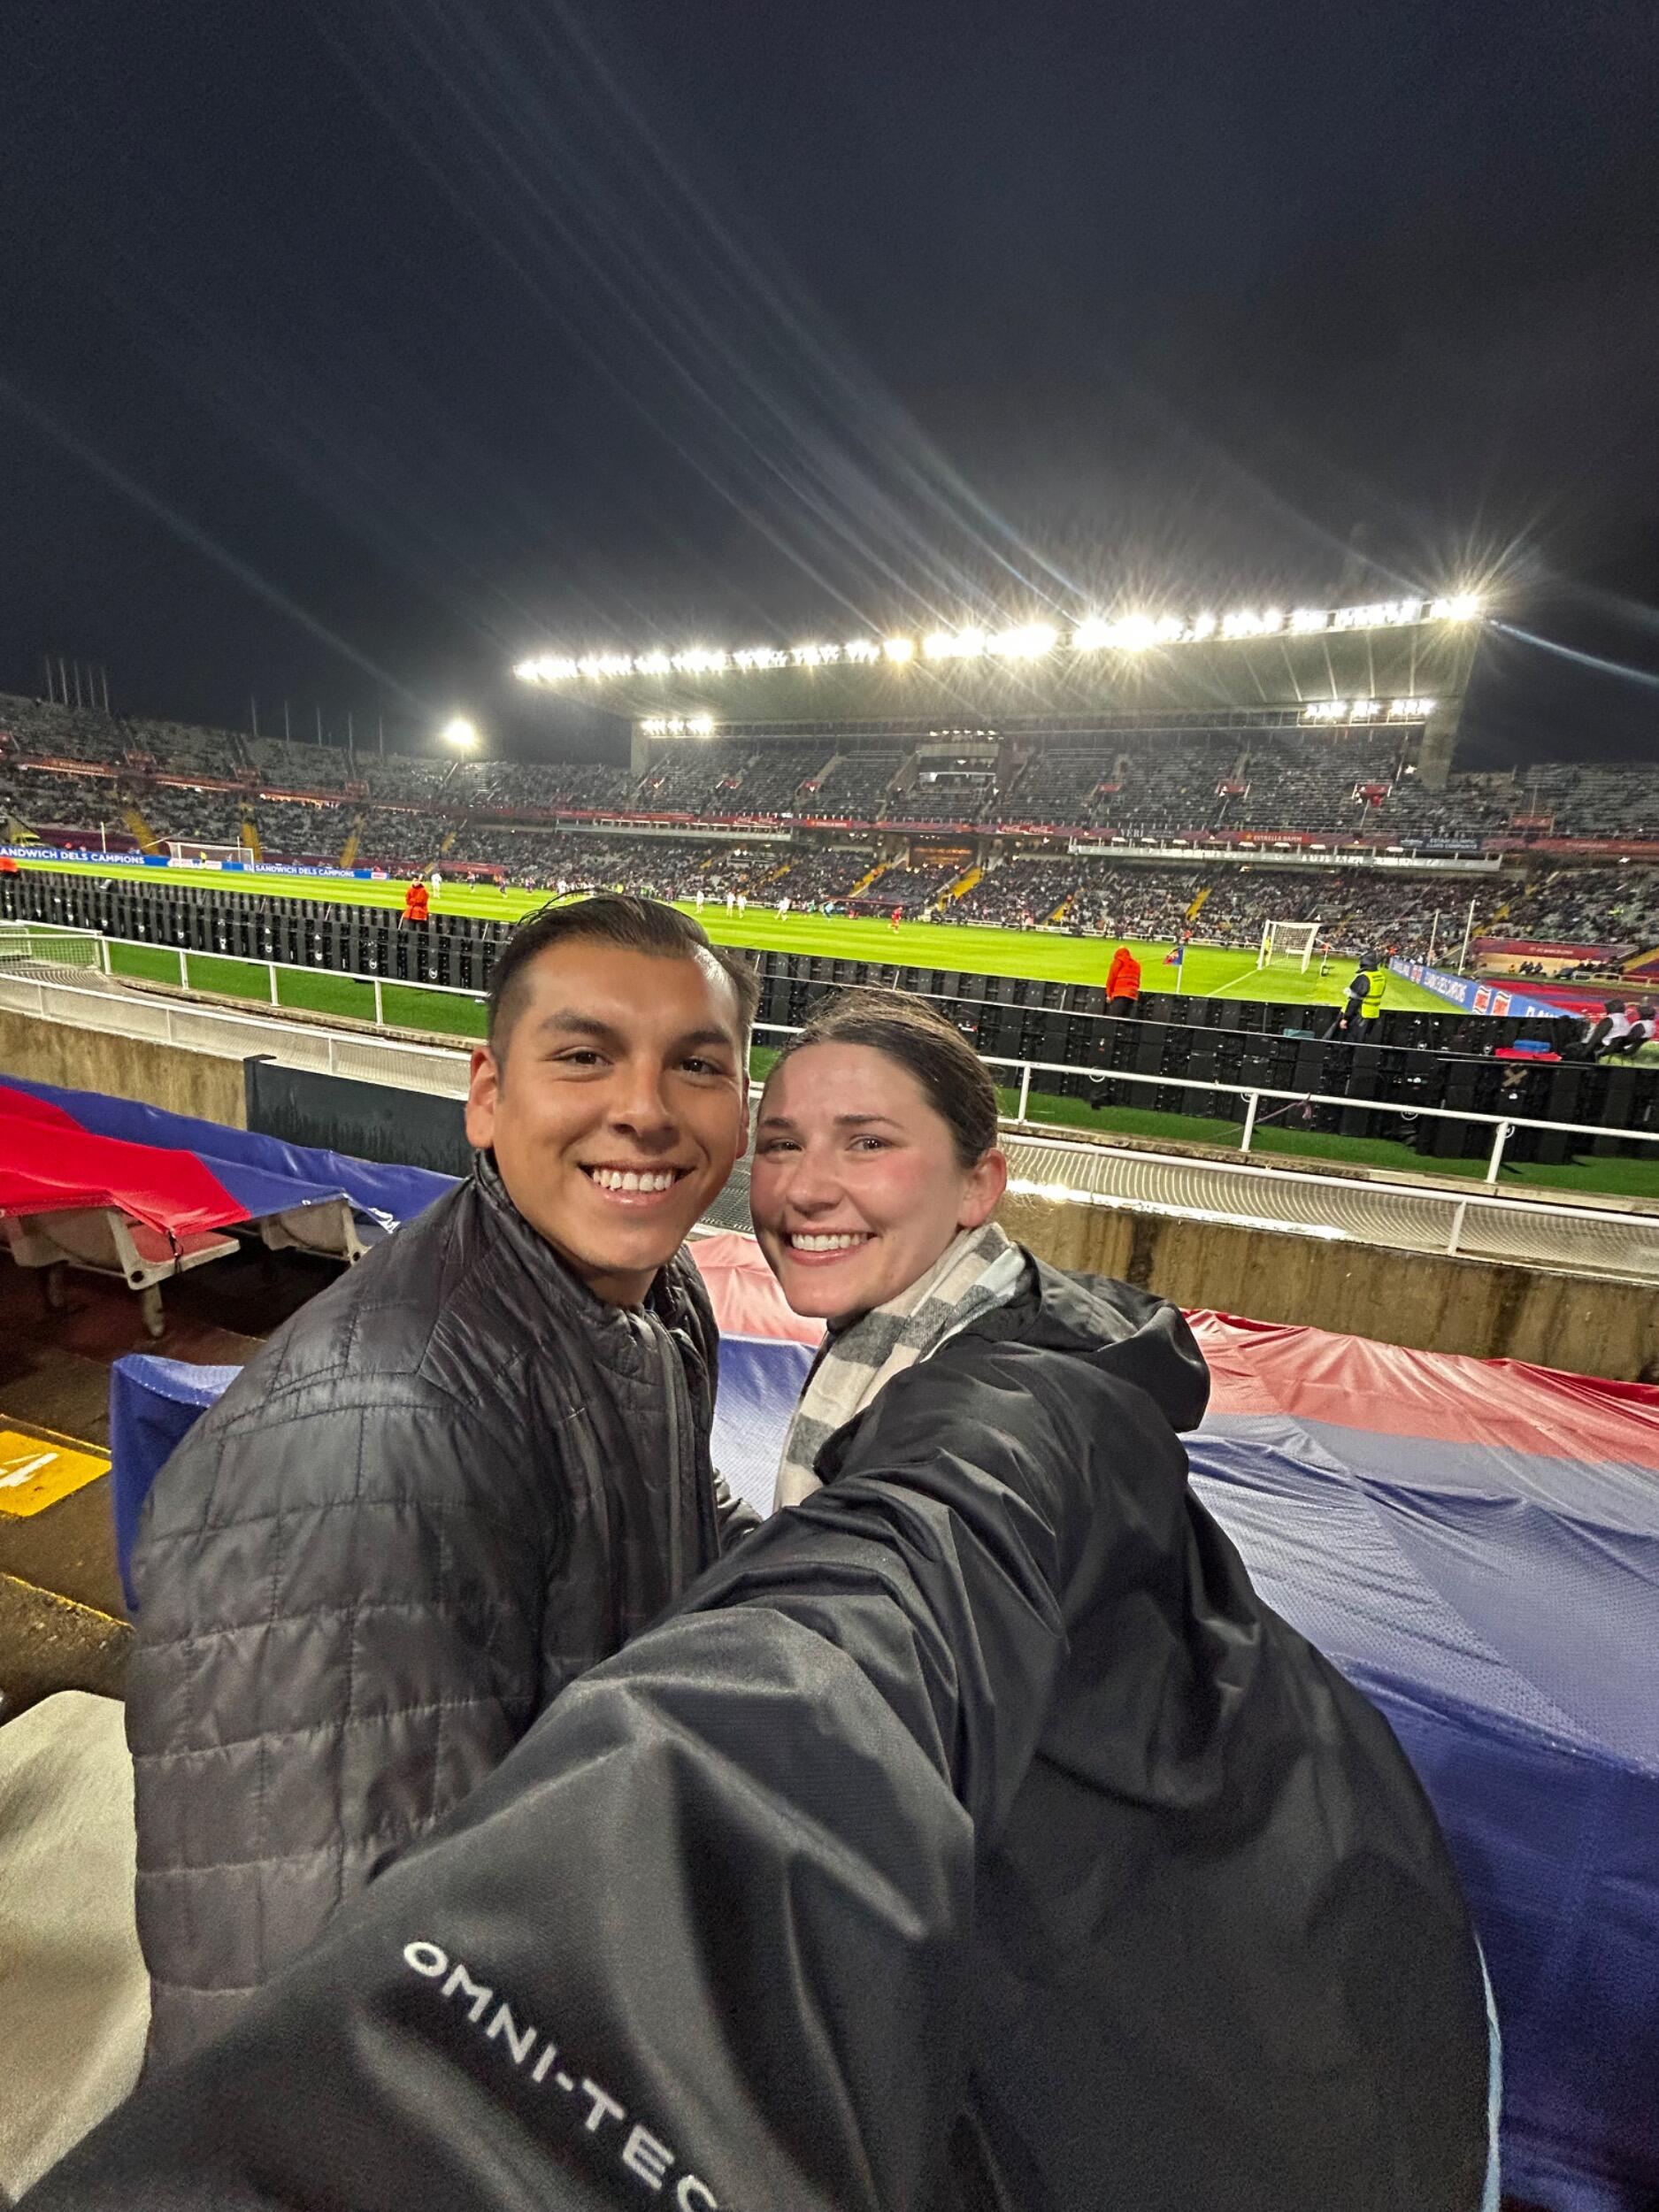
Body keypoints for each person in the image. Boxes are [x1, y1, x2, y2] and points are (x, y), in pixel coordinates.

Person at [32, 991, 1497, 2212]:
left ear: (981, 1181)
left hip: (1231, 2080)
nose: (801, 1186)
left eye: (869, 1142)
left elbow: (865, 1634)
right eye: (785, 1141)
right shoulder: (910, 1351)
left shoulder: (1022, 1410)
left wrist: (493, 2069)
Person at [119, 895, 758, 2067]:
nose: (645, 1110)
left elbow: (690, 1521)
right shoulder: (371, 1441)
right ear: (486, 1095)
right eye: (583, 1056)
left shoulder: (653, 1299)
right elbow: (317, 2003)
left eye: (697, 1066)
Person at [1104, 940, 1141, 1014]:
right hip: (1132, 995)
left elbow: (1111, 978)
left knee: (1113, 1019)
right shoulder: (1137, 964)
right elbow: (1138, 981)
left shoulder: (1119, 961)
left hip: (1120, 993)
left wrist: (1108, 994)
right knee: (1124, 1019)